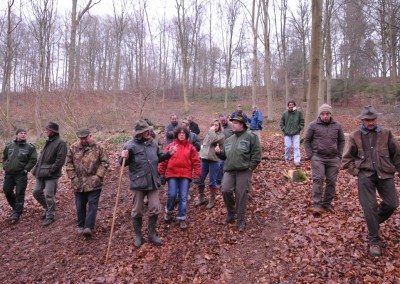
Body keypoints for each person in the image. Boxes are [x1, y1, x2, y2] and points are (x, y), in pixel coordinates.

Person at [343, 106, 400, 257]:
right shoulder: (354, 136)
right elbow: (346, 159)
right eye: (368, 120)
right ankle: (374, 240)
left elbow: (396, 154)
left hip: (385, 174)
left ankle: (373, 222)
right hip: (365, 176)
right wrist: (356, 172)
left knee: (392, 203)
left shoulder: (386, 134)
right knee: (369, 207)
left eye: (373, 119)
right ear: (362, 120)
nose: (371, 122)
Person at [120, 119, 177, 248]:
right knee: (137, 210)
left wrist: (169, 154)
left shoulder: (153, 144)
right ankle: (139, 236)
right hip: (138, 183)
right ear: (139, 133)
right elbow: (122, 163)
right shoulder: (130, 145)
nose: (149, 132)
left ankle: (151, 234)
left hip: (153, 181)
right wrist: (123, 156)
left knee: (155, 208)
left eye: (149, 130)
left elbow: (159, 157)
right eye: (146, 131)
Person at [215, 114, 261, 232]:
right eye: (233, 122)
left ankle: (241, 219)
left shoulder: (251, 137)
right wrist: (218, 153)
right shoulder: (229, 140)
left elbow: (256, 155)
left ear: (242, 125)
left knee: (241, 195)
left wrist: (251, 168)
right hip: (229, 170)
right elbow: (224, 156)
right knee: (225, 189)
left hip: (244, 170)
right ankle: (231, 212)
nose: (232, 124)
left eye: (235, 123)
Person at [65, 128, 109, 237]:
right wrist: (73, 177)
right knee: (80, 205)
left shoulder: (99, 147)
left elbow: (105, 162)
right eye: (81, 138)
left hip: (94, 182)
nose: (83, 140)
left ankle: (88, 227)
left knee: (92, 204)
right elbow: (68, 163)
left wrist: (98, 176)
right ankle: (81, 225)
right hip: (78, 183)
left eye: (85, 138)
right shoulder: (73, 148)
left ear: (90, 136)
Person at [304, 104, 345, 217]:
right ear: (320, 114)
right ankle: (317, 204)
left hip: (333, 158)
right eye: (322, 114)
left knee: (331, 181)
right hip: (318, 157)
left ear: (330, 114)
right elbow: (306, 141)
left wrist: (339, 155)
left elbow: (342, 141)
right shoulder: (313, 125)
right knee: (318, 179)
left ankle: (327, 203)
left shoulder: (337, 126)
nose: (325, 116)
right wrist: (311, 155)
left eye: (327, 114)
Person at [158, 126, 201, 230]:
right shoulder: (171, 146)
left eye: (183, 133)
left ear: (186, 135)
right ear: (176, 134)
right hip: (172, 173)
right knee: (172, 194)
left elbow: (196, 161)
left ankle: (182, 218)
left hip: (185, 175)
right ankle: (169, 212)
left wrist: (197, 174)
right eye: (180, 133)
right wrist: (162, 173)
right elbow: (164, 160)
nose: (182, 134)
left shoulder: (191, 147)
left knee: (183, 197)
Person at [32, 122, 67, 226]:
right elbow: (41, 157)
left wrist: (51, 170)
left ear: (52, 131)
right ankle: (47, 208)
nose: (46, 131)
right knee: (36, 192)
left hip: (52, 175)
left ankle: (50, 216)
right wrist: (36, 169)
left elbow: (60, 161)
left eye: (47, 129)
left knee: (48, 195)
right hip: (40, 172)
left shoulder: (61, 143)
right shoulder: (48, 141)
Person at [2, 128, 37, 222]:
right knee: (7, 190)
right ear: (16, 135)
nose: (23, 135)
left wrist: (26, 170)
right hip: (9, 173)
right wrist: (5, 166)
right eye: (21, 133)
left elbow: (33, 160)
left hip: (21, 174)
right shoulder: (9, 146)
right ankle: (16, 207)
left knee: (19, 193)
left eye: (25, 133)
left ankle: (17, 213)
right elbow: (4, 157)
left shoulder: (30, 147)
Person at [195, 119, 225, 209]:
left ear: (219, 126)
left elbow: (213, 139)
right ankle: (201, 197)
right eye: (213, 125)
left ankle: (212, 200)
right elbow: (204, 144)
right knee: (200, 179)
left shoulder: (221, 135)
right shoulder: (209, 133)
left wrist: (211, 131)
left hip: (214, 160)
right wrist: (201, 154)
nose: (214, 126)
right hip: (204, 159)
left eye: (216, 125)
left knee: (212, 181)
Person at [280, 100, 304, 167]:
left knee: (296, 147)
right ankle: (287, 158)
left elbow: (302, 122)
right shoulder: (285, 113)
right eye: (289, 105)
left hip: (296, 133)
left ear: (294, 105)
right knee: (288, 146)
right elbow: (281, 123)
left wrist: (299, 128)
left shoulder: (299, 113)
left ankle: (297, 161)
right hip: (287, 133)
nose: (291, 106)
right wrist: (284, 129)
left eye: (292, 104)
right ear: (288, 106)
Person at [217, 114, 234, 187]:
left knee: (228, 166)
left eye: (224, 120)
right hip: (221, 150)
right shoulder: (218, 127)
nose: (223, 121)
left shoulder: (232, 126)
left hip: (231, 150)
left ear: (227, 119)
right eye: (221, 120)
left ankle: (228, 182)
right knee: (220, 166)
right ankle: (219, 182)